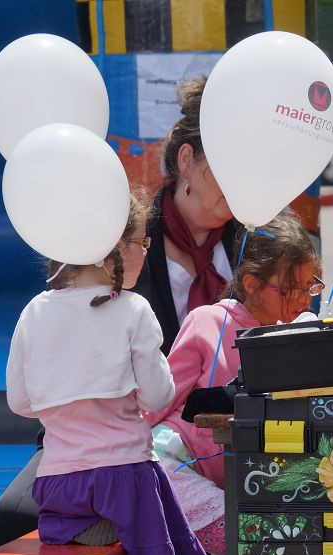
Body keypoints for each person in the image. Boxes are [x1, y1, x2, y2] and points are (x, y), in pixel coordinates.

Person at [0, 191, 217, 555]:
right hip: (128, 488)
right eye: (140, 243)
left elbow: (20, 402)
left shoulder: (34, 312)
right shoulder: (133, 311)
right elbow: (160, 399)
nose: (145, 254)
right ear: (111, 249)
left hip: (61, 494)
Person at [144, 209, 322, 555]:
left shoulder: (304, 333)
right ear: (249, 283)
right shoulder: (208, 322)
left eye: (313, 286)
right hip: (182, 470)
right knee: (257, 546)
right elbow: (158, 405)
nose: (304, 299)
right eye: (292, 289)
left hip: (254, 483)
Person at [136, 76, 239, 353]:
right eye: (226, 168)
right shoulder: (131, 242)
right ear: (186, 161)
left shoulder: (256, 238)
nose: (239, 183)